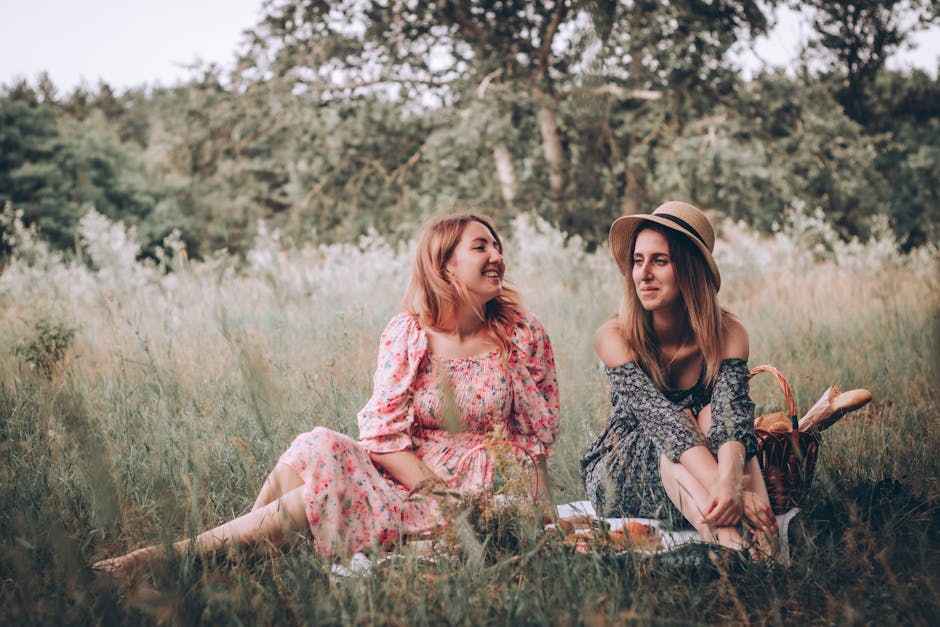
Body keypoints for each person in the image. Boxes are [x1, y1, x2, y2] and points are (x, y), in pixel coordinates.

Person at [94, 213, 560, 574]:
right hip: (410, 474)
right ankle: (242, 547)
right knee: (318, 446)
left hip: (474, 491)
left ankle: (171, 558)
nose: (497, 255)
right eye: (481, 246)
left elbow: (534, 439)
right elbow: (381, 435)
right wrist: (430, 487)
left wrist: (545, 519)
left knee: (315, 497)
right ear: (444, 264)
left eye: (498, 246)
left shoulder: (519, 334)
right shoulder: (409, 334)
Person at [580, 201, 778, 559]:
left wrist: (732, 482)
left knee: (714, 420)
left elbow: (732, 418)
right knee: (674, 437)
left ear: (688, 269)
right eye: (638, 261)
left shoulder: (728, 332)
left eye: (660, 260)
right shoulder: (614, 335)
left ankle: (768, 553)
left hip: (701, 469)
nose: (643, 274)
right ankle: (729, 546)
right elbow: (664, 422)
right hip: (626, 469)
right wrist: (730, 488)